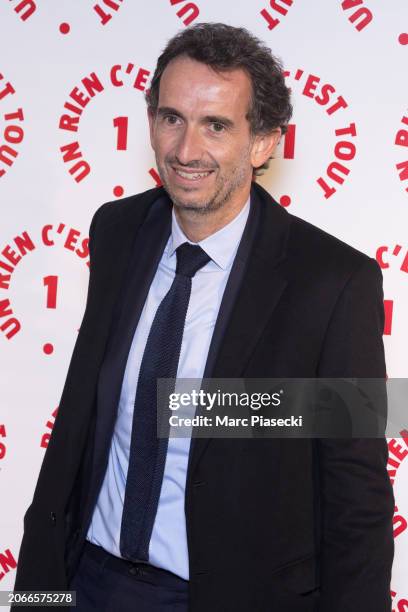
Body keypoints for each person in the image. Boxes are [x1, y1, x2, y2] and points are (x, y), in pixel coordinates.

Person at [13, 23, 394, 612]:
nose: (186, 151)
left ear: (264, 141)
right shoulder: (117, 232)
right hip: (83, 578)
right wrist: (40, 594)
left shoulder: (335, 283)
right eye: (172, 118)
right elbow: (80, 428)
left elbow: (356, 498)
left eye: (216, 125)